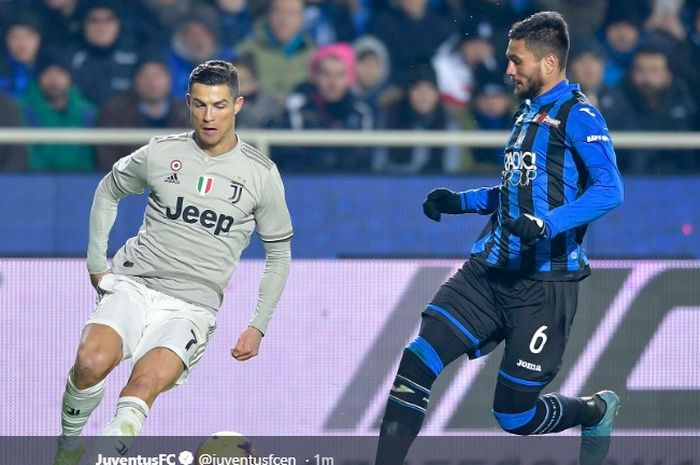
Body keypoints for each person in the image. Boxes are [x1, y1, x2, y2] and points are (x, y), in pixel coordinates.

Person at [374, 12, 624, 465]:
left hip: (544, 287)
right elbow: (513, 191)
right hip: (487, 274)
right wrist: (460, 202)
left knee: (513, 417)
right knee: (416, 364)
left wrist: (549, 224)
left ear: (549, 63)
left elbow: (610, 189)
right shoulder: (528, 112)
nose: (508, 70)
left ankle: (594, 409)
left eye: (516, 61)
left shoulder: (579, 115)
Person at [53, 60, 293, 465]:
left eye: (218, 105)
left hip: (192, 307)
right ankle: (68, 445)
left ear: (237, 105)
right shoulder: (161, 153)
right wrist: (97, 262)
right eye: (199, 105)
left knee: (142, 386)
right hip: (135, 282)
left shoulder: (261, 174)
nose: (208, 116)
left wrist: (258, 325)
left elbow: (279, 253)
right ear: (187, 103)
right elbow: (108, 190)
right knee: (90, 364)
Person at [95, 56, 190, 171]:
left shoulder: (188, 114)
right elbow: (108, 158)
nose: (152, 82)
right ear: (135, 80)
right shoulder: (114, 113)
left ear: (169, 79)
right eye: (145, 76)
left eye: (158, 75)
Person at [20, 51, 97, 171]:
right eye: (48, 74)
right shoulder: (21, 111)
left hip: (82, 184)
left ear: (70, 77)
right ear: (38, 78)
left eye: (60, 74)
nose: (54, 80)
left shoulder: (88, 113)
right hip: (35, 183)